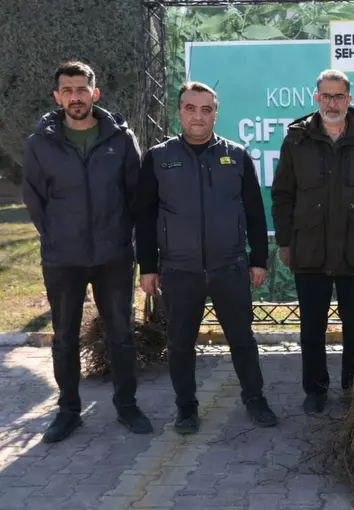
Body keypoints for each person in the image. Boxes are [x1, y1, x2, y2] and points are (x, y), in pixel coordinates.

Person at [21, 61, 153, 443]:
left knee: (121, 334)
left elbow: (135, 196)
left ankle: (127, 406)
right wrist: (58, 237)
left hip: (113, 255)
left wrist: (121, 237)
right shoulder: (40, 144)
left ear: (94, 93)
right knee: (64, 336)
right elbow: (35, 200)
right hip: (63, 258)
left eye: (81, 89)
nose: (75, 97)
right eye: (67, 90)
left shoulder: (120, 138)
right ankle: (68, 411)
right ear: (57, 96)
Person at [135, 81, 277, 434]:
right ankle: (186, 408)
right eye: (190, 108)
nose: (198, 116)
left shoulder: (238, 156)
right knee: (181, 344)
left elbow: (256, 214)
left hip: (229, 266)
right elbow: (145, 216)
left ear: (216, 113)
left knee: (243, 339)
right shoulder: (158, 157)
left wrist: (258, 259)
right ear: (179, 111)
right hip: (179, 270)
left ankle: (255, 398)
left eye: (206, 109)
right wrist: (148, 267)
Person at [271, 69, 354, 415]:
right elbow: (282, 195)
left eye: (339, 96)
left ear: (349, 100)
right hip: (310, 248)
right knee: (312, 326)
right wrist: (284, 242)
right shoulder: (296, 139)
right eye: (326, 96)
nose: (332, 103)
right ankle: (316, 389)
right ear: (316, 98)